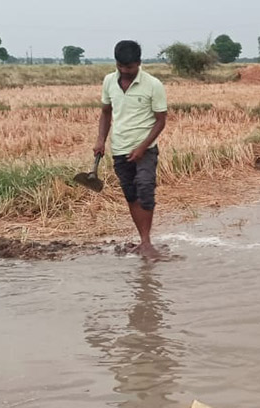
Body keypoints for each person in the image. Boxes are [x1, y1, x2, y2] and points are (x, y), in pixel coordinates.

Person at [95, 40, 168, 259]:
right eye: (121, 67)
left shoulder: (153, 84)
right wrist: (100, 140)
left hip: (145, 150)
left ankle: (146, 242)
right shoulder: (109, 81)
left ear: (139, 63)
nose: (125, 72)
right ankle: (143, 240)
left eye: (130, 68)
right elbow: (106, 112)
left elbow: (160, 121)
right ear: (116, 63)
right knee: (131, 195)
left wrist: (142, 147)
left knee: (145, 189)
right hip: (119, 148)